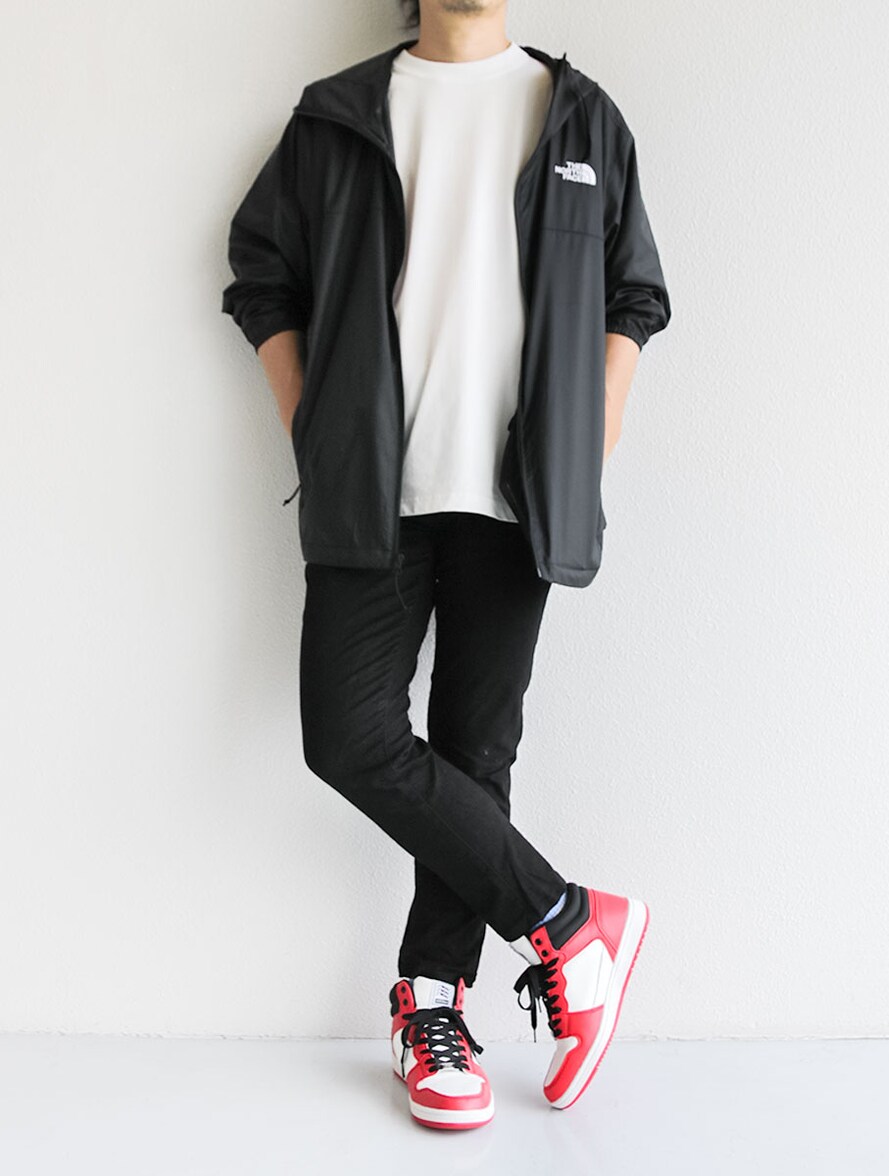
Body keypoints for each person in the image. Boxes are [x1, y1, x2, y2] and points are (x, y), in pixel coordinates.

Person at [220, 0, 670, 1131]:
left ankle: (433, 1007)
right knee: (348, 736)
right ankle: (569, 923)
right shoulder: (338, 117)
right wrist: (312, 425)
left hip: (515, 500)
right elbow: (259, 270)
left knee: (476, 754)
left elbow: (635, 294)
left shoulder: (581, 120)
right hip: (372, 491)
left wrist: (590, 434)